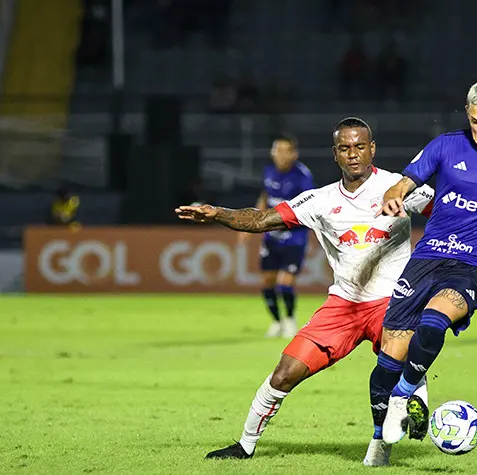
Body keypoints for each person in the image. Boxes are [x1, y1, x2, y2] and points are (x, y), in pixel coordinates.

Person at [175, 117, 435, 464]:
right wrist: (217, 213)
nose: (353, 154)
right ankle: (244, 446)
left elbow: (448, 212)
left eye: (360, 146)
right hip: (343, 306)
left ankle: (400, 421)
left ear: (372, 149)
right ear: (335, 154)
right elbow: (261, 219)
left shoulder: (399, 187)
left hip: (392, 303)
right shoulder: (319, 200)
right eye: (345, 148)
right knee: (284, 374)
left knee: (395, 370)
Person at [369, 79, 477, 449]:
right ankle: (378, 447)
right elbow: (405, 183)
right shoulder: (446, 146)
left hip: (471, 266)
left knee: (434, 322)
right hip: (426, 258)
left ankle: (403, 394)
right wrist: (393, 195)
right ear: (467, 114)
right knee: (387, 360)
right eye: (476, 121)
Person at [239, 135, 314, 338]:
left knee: (286, 282)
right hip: (271, 237)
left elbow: (310, 206)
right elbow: (265, 198)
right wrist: (250, 227)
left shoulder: (302, 176)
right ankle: (276, 322)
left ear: (294, 154)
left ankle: (290, 320)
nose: (281, 155)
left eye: (285, 150)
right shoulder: (268, 171)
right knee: (267, 282)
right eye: (277, 150)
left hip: (294, 237)